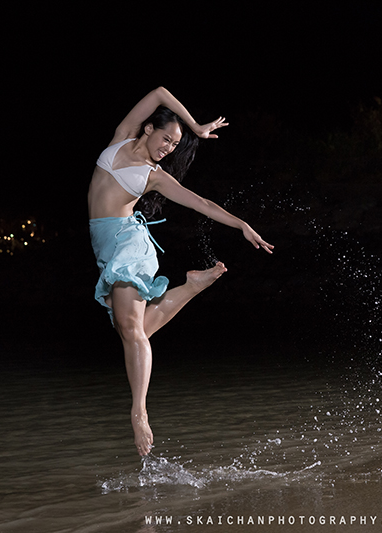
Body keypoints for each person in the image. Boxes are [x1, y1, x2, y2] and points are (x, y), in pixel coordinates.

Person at [87, 87, 273, 456]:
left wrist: (241, 225)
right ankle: (189, 287)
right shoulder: (121, 137)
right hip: (104, 248)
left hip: (128, 243)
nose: (169, 148)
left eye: (175, 144)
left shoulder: (153, 176)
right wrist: (195, 126)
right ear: (147, 129)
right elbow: (159, 93)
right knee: (135, 330)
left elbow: (202, 203)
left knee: (130, 331)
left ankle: (139, 411)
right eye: (167, 139)